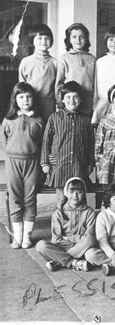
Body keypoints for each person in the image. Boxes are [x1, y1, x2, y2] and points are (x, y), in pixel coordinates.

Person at [3, 82, 43, 249]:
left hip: (32, 162)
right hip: (13, 162)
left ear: (33, 99)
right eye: (21, 97)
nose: (25, 100)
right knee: (15, 198)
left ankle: (27, 237)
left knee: (30, 198)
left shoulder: (39, 120)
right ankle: (17, 237)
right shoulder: (8, 120)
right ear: (15, 99)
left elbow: (42, 143)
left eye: (28, 96)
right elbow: (3, 142)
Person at [41, 81, 94, 208]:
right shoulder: (54, 117)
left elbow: (91, 144)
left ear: (80, 99)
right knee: (62, 199)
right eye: (68, 97)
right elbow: (46, 141)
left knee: (79, 198)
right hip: (60, 165)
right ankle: (61, 225)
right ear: (63, 100)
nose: (72, 100)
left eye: (75, 97)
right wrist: (45, 163)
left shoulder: (86, 120)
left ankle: (79, 226)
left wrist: (90, 164)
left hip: (78, 165)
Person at [36, 177, 96, 271]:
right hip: (65, 247)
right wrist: (78, 239)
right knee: (41, 245)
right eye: (71, 191)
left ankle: (58, 261)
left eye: (79, 192)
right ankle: (74, 262)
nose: (75, 195)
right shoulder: (58, 213)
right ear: (66, 193)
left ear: (84, 193)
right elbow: (56, 240)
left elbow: (89, 237)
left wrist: (68, 238)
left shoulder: (89, 212)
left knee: (91, 241)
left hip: (83, 246)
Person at [18, 23, 57, 123]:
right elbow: (22, 87)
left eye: (47, 38)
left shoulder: (55, 63)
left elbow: (57, 86)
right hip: (30, 103)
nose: (43, 41)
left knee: (47, 131)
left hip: (49, 104)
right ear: (32, 41)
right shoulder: (26, 62)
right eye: (39, 38)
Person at [56, 23, 95, 116]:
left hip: (88, 102)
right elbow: (59, 83)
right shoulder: (64, 58)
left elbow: (96, 84)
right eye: (74, 37)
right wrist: (60, 103)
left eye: (81, 37)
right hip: (70, 101)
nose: (78, 40)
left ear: (86, 39)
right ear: (69, 39)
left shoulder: (93, 59)